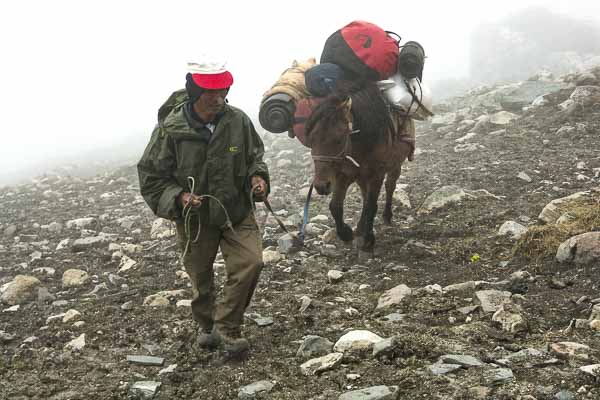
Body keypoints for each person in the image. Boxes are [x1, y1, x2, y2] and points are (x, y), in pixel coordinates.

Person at [137, 59, 269, 356]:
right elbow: (151, 176)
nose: (217, 98)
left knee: (252, 262)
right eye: (210, 93)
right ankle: (207, 326)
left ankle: (228, 327)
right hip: (195, 219)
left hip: (236, 211)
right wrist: (179, 197)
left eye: (222, 91)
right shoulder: (170, 130)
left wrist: (258, 178)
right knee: (201, 278)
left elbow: (254, 157)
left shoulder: (238, 121)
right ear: (195, 93)